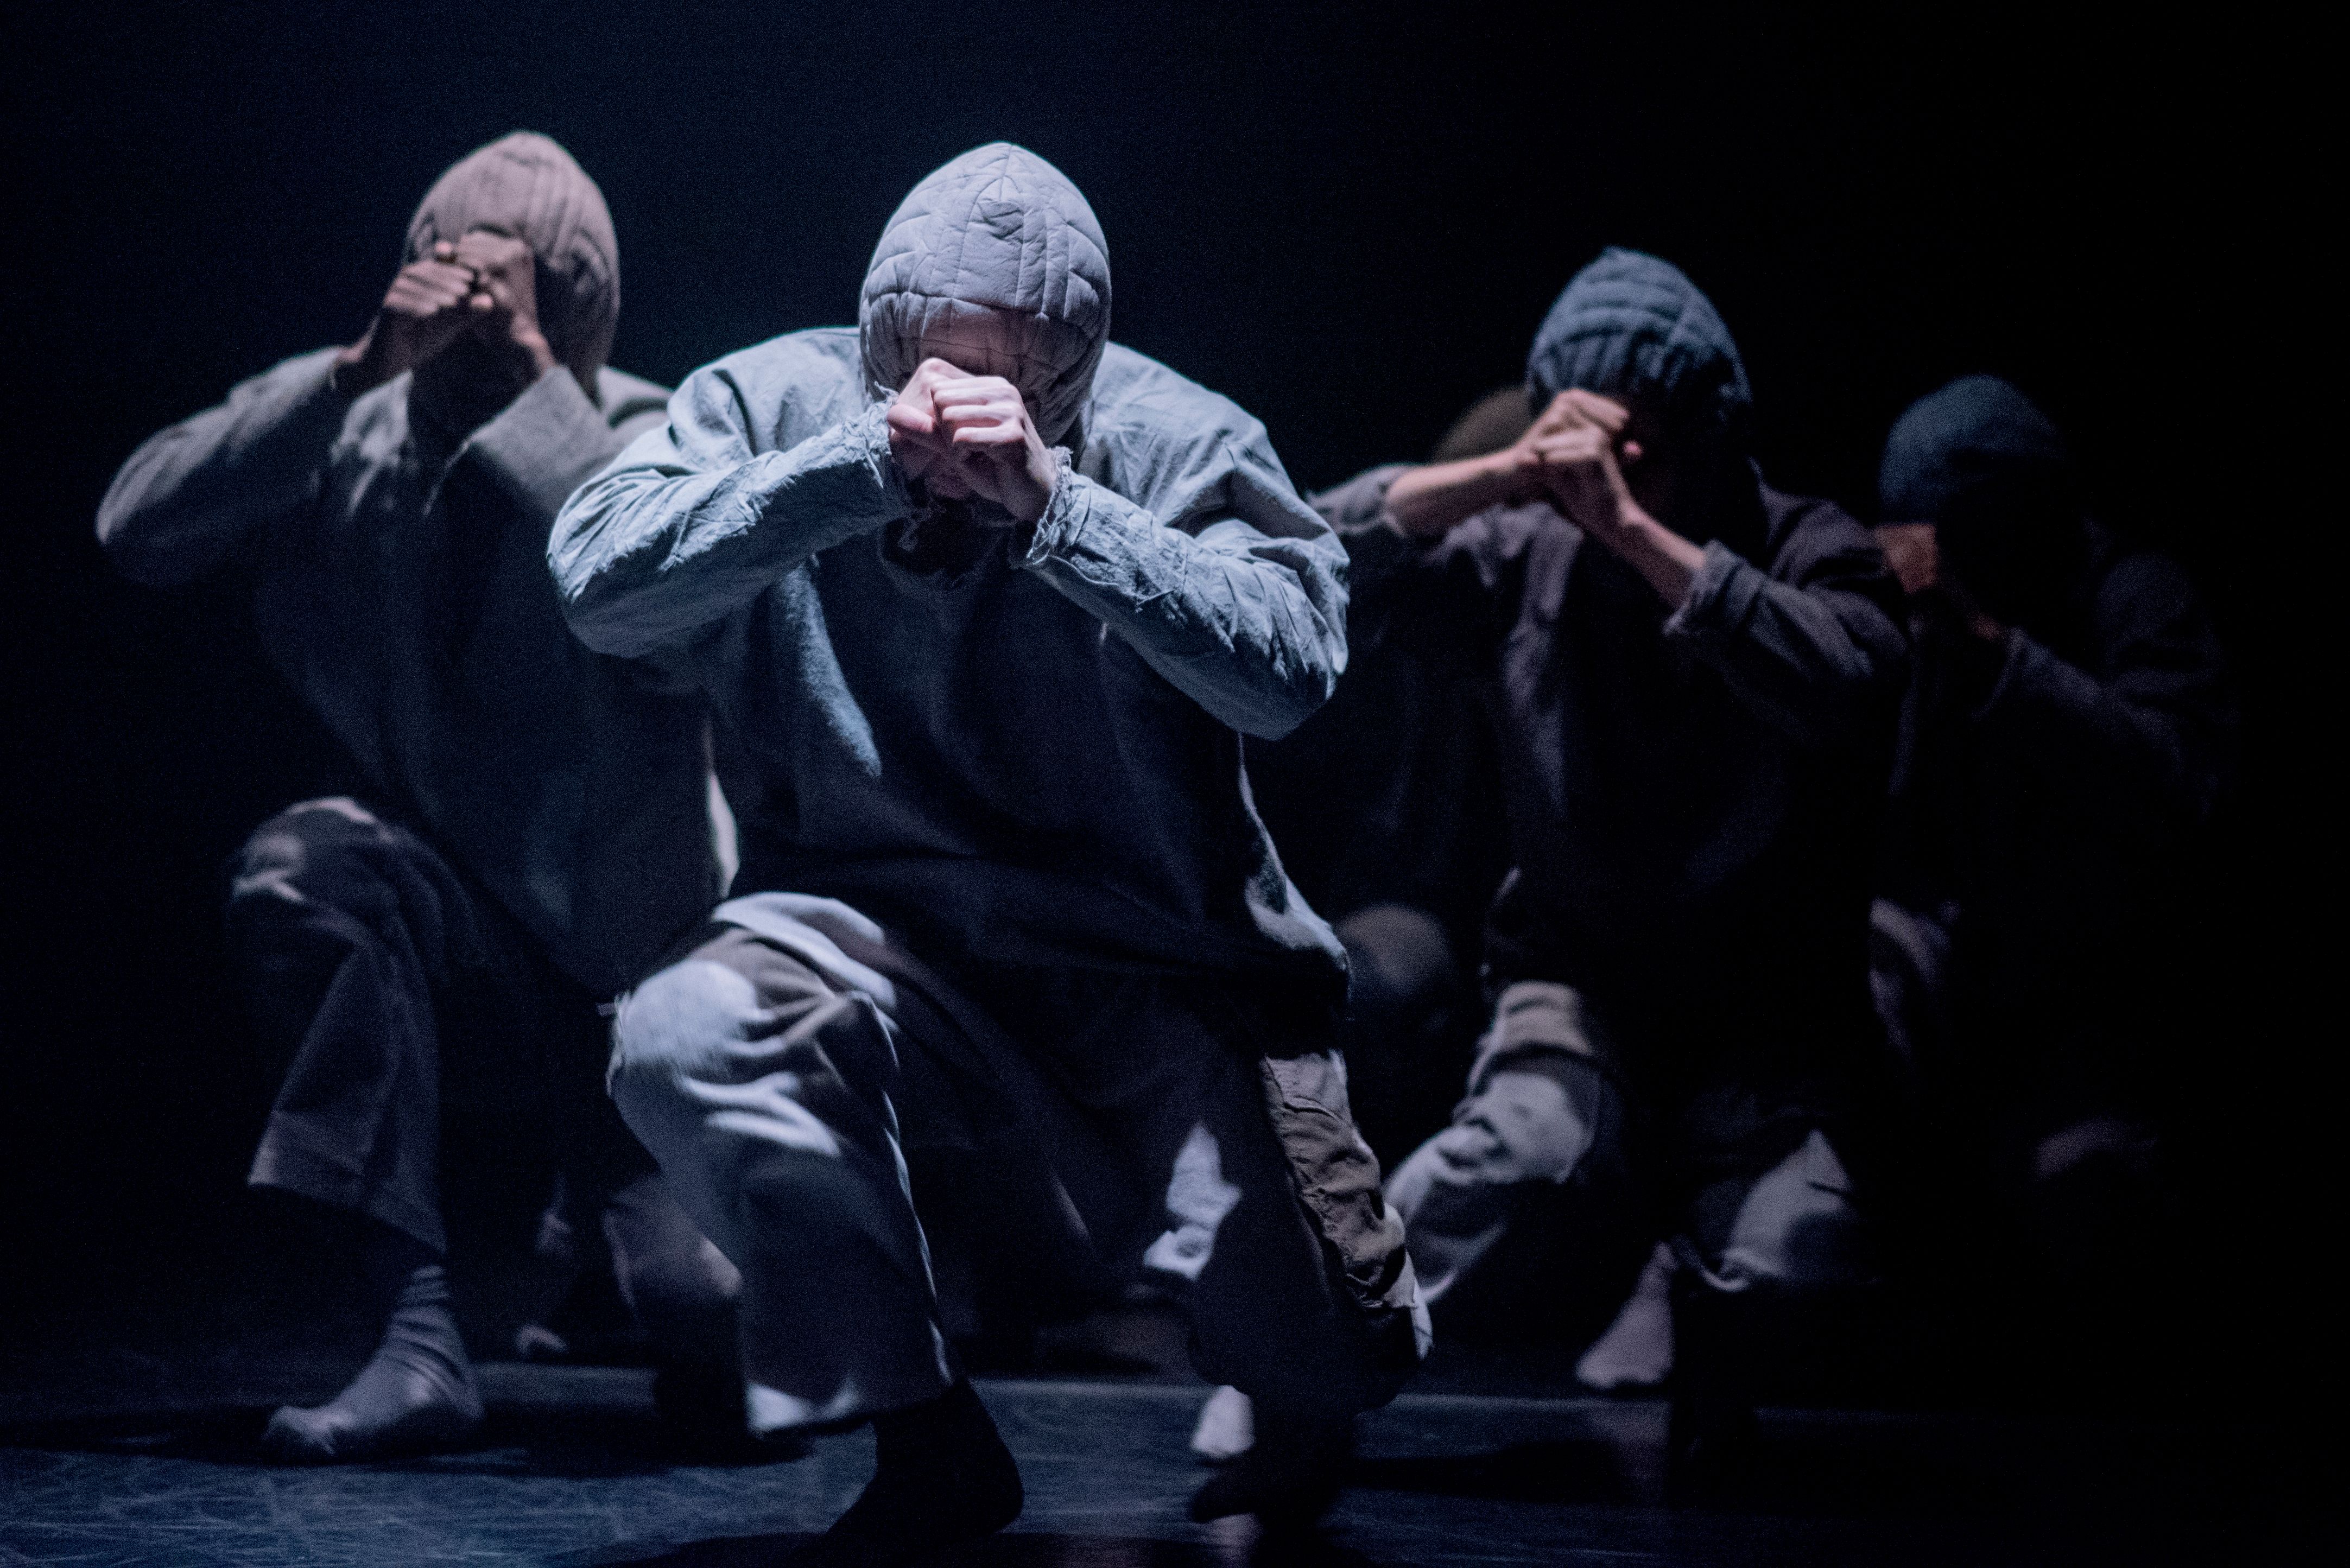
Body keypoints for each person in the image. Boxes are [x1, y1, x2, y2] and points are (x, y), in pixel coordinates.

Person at [550, 142, 1425, 1563]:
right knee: (682, 1032)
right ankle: (928, 1437)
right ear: (878, 340)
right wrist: (852, 466)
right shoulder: (773, 400)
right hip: (869, 935)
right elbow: (598, 578)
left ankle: (1297, 1403)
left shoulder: (1181, 437)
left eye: (1017, 373)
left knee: (1335, 1345)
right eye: (929, 368)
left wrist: (1062, 506)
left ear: (1077, 365)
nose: (963, 410)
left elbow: (1296, 664)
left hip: (1152, 968)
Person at [95, 132, 737, 1463]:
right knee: (303, 869)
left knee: (724, 1354)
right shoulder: (352, 416)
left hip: (636, 958)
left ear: (573, 309)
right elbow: (135, 527)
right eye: (441, 274)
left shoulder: (650, 434)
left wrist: (538, 405)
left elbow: (688, 630)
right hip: (454, 924)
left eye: (507, 292)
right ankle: (418, 1329)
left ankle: (620, 1255)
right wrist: (347, 374)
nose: (466, 316)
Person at [1314, 249, 1908, 1450]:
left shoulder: (1808, 545)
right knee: (1516, 1156)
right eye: (1586, 443)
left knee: (1797, 1257)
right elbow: (1308, 555)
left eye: (1643, 442)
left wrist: (1632, 526)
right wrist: (1498, 471)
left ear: (1712, 429)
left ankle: (1709, 1318)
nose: (1608, 471)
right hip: (1577, 985)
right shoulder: (1525, 551)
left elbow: (1851, 681)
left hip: (1764, 1021)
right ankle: (1308, 1350)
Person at [1872, 375, 2234, 1377]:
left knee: (2093, 1209)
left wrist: (1991, 652)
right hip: (1962, 1021)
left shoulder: (2132, 598)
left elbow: (2176, 788)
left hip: (2103, 1034)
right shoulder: (1925, 634)